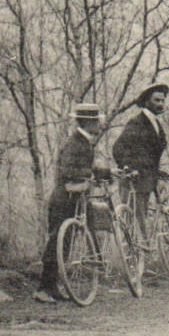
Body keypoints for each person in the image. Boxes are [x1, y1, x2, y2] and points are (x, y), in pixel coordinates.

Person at [35, 103, 110, 304]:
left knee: (65, 246)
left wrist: (107, 173)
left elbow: (86, 168)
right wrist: (89, 175)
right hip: (63, 200)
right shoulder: (75, 143)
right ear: (86, 122)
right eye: (95, 121)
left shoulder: (84, 143)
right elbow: (67, 171)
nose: (99, 124)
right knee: (55, 244)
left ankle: (54, 287)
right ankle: (43, 288)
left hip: (74, 200)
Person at [111, 82, 169, 239]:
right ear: (146, 101)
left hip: (147, 181)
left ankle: (140, 258)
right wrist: (128, 168)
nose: (160, 104)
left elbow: (153, 155)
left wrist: (160, 175)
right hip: (133, 181)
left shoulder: (156, 124)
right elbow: (118, 148)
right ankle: (131, 261)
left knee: (140, 222)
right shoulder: (136, 122)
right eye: (156, 100)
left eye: (162, 100)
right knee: (131, 224)